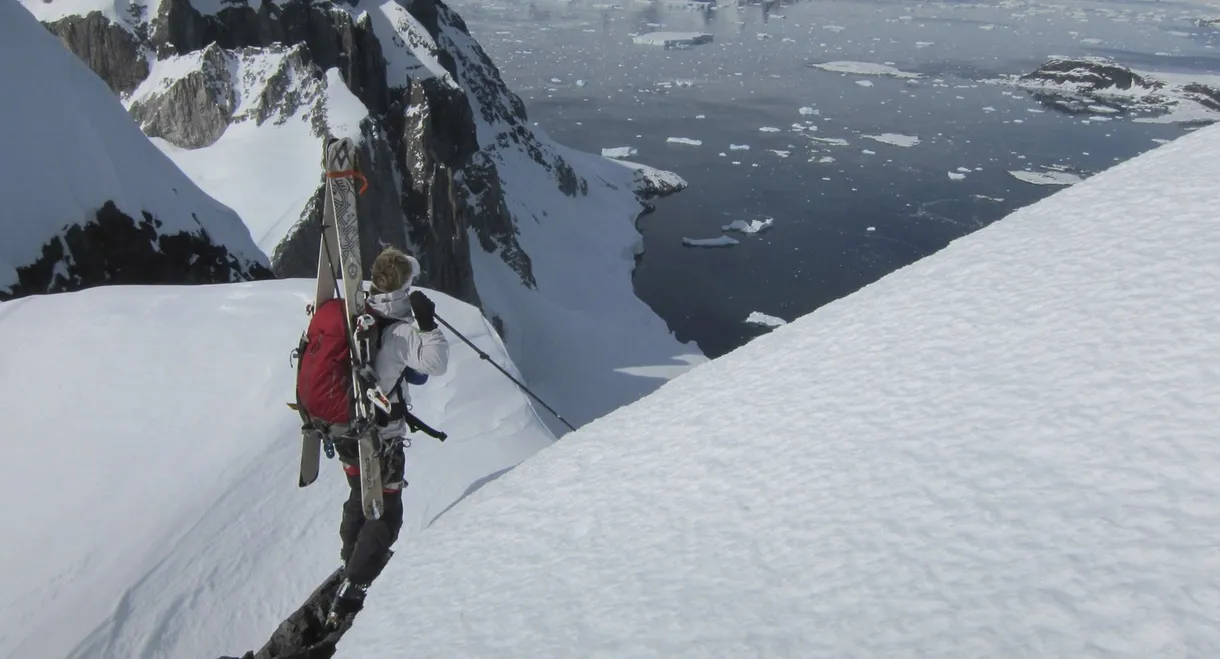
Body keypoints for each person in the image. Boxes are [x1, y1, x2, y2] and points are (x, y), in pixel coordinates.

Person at [328, 247, 450, 624]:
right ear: (402, 287)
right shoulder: (398, 332)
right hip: (379, 437)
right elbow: (436, 363)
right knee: (386, 511)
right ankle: (355, 587)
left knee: (359, 494)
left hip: (344, 429)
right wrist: (427, 324)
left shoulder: (357, 316)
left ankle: (350, 562)